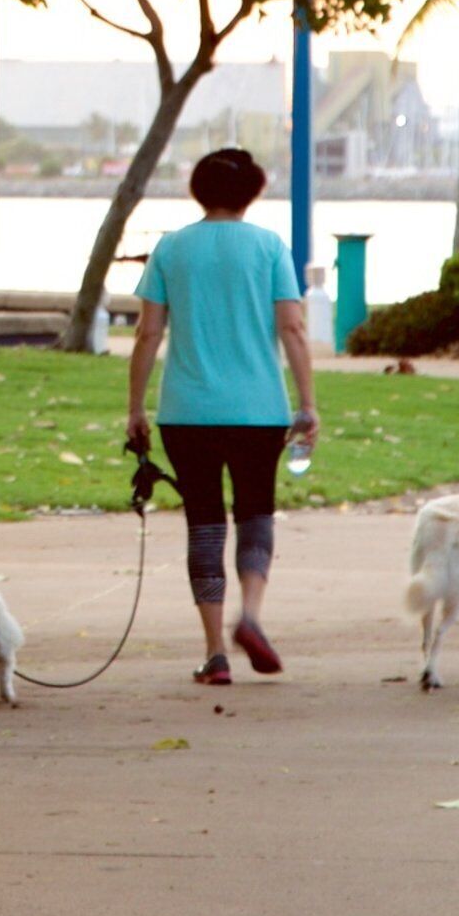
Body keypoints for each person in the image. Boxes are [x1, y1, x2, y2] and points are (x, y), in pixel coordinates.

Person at [123, 147, 322, 687]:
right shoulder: (270, 247)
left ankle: (214, 653)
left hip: (186, 411)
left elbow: (147, 334)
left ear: (198, 189)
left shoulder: (171, 248)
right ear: (252, 192)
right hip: (259, 410)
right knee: (256, 514)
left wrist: (136, 408)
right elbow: (294, 329)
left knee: (204, 524)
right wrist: (307, 404)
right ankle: (251, 616)